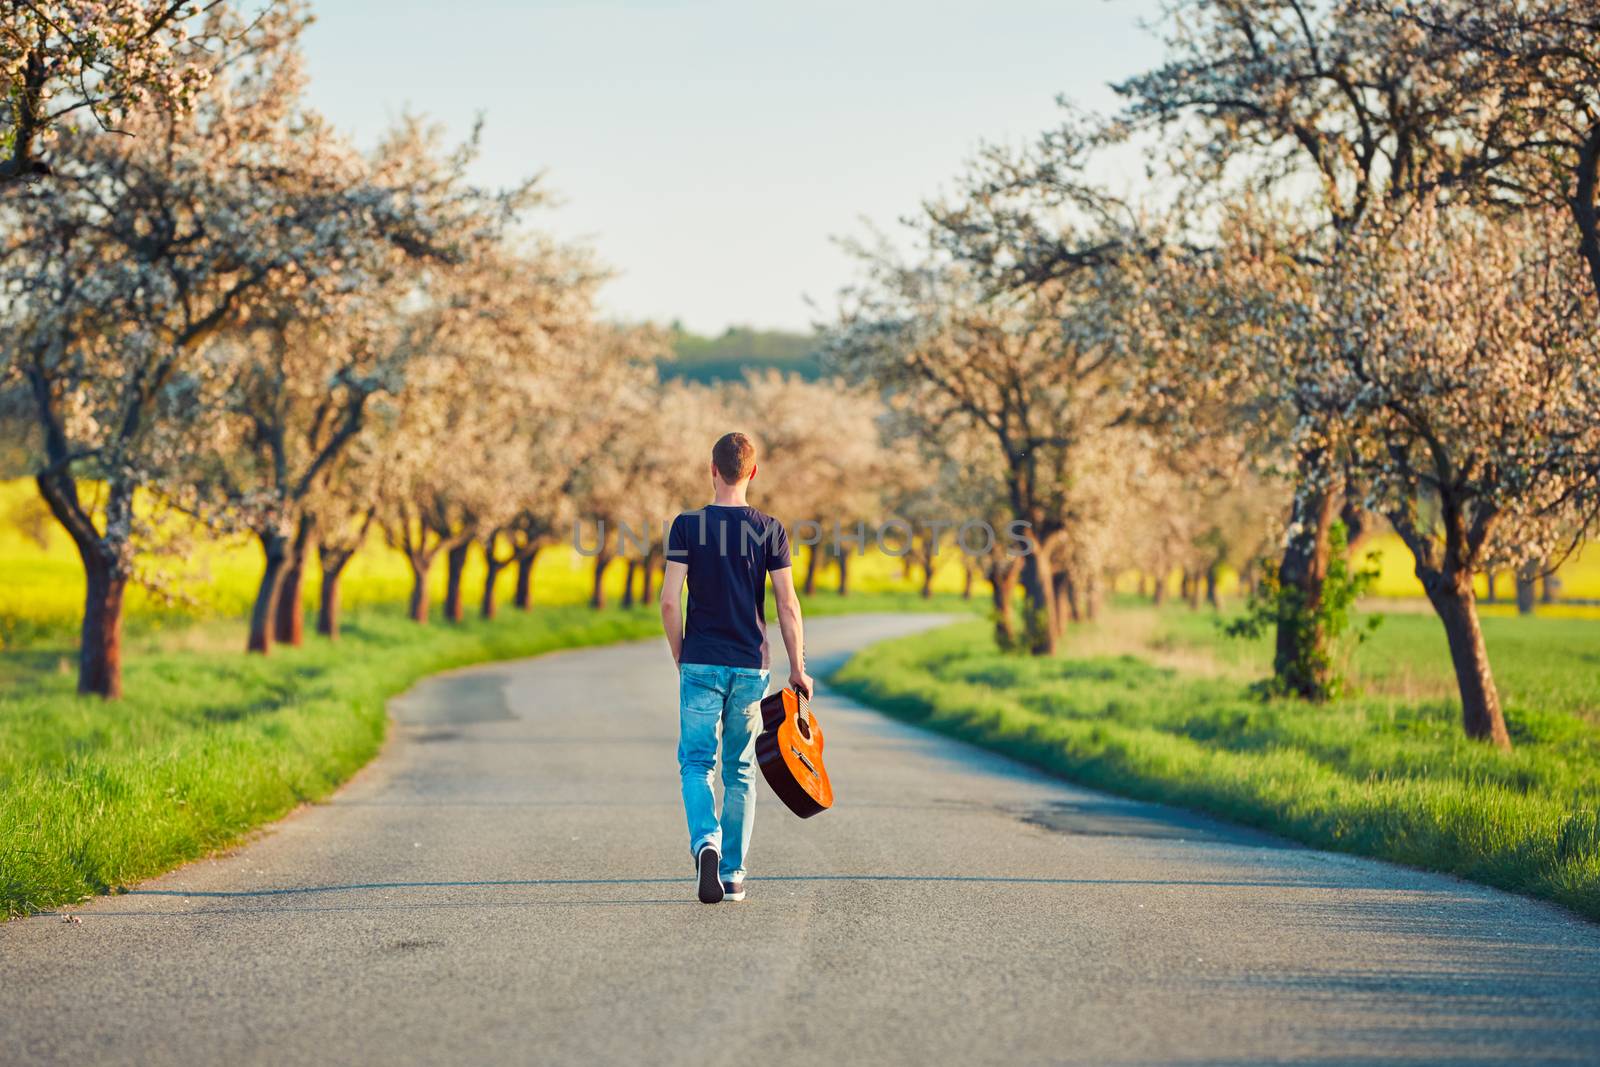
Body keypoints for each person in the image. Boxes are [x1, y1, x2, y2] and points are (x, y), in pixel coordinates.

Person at [660, 431, 812, 904]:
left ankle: (705, 840)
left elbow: (669, 601)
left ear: (712, 469)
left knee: (696, 763)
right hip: (751, 664)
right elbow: (787, 605)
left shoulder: (687, 526)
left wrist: (681, 655)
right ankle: (733, 875)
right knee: (740, 770)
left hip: (701, 660)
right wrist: (798, 669)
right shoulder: (770, 529)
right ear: (753, 472)